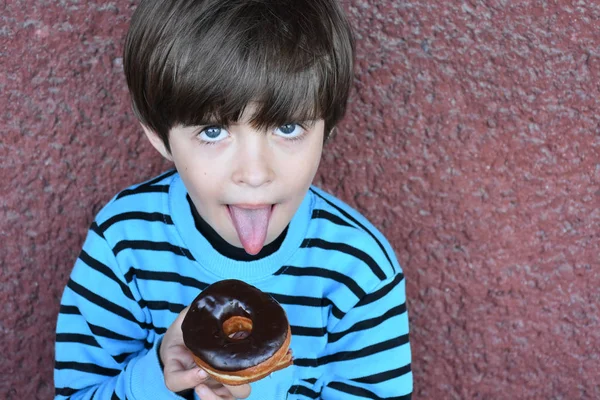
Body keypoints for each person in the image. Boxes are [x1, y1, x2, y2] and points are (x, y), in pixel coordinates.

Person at [54, 0, 413, 398]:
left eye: (288, 127)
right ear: (159, 135)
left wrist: (260, 386)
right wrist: (156, 375)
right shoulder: (123, 245)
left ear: (327, 126)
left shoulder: (359, 270)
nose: (255, 174)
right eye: (212, 131)